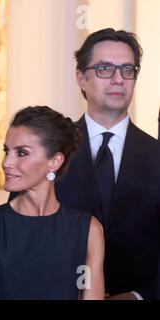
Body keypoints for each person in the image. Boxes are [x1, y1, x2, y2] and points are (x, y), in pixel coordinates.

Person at [56, 28, 160, 300]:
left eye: (127, 69)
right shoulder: (49, 154)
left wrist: (138, 296)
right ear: (81, 78)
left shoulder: (157, 156)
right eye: (104, 68)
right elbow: (19, 238)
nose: (118, 79)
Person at [0, 106, 105, 300]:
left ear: (54, 161)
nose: (6, 163)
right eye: (7, 151)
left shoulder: (88, 230)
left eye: (21, 153)